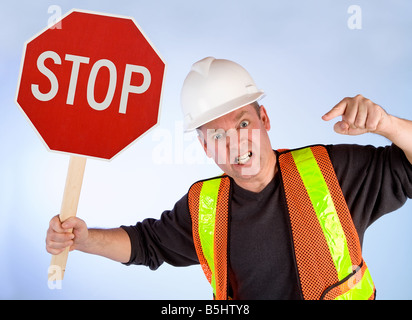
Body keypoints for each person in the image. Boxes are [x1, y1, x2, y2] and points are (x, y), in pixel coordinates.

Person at [46, 57, 412, 300]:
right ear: (206, 147)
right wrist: (84, 239)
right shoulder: (205, 208)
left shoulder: (334, 170)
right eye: (217, 136)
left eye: (242, 123)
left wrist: (388, 125)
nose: (235, 143)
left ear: (264, 118)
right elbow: (147, 244)